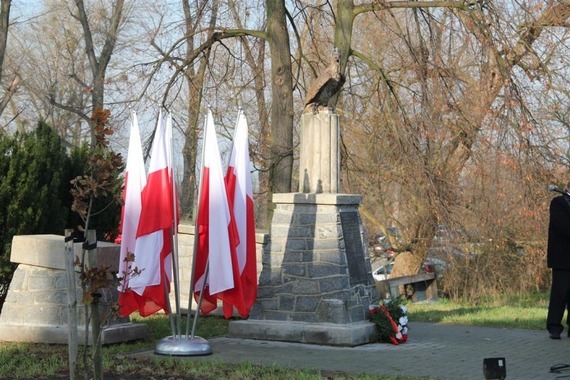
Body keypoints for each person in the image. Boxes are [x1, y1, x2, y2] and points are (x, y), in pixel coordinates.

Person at [546, 182, 570, 339]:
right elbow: (564, 228)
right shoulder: (558, 203)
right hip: (562, 258)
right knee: (560, 294)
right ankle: (554, 327)